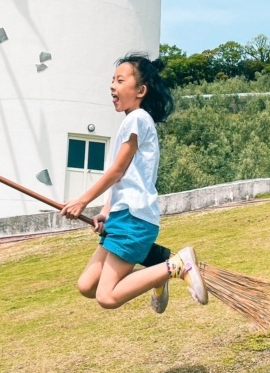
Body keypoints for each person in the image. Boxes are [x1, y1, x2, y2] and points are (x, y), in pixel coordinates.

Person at [60, 54, 207, 314]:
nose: (112, 86)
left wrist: (82, 200)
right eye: (112, 81)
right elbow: (124, 178)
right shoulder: (132, 121)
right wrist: (105, 212)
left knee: (107, 297)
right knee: (87, 286)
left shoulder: (137, 118)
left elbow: (117, 171)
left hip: (133, 218)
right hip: (122, 216)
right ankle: (160, 272)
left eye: (119, 80)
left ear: (140, 90)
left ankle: (177, 266)